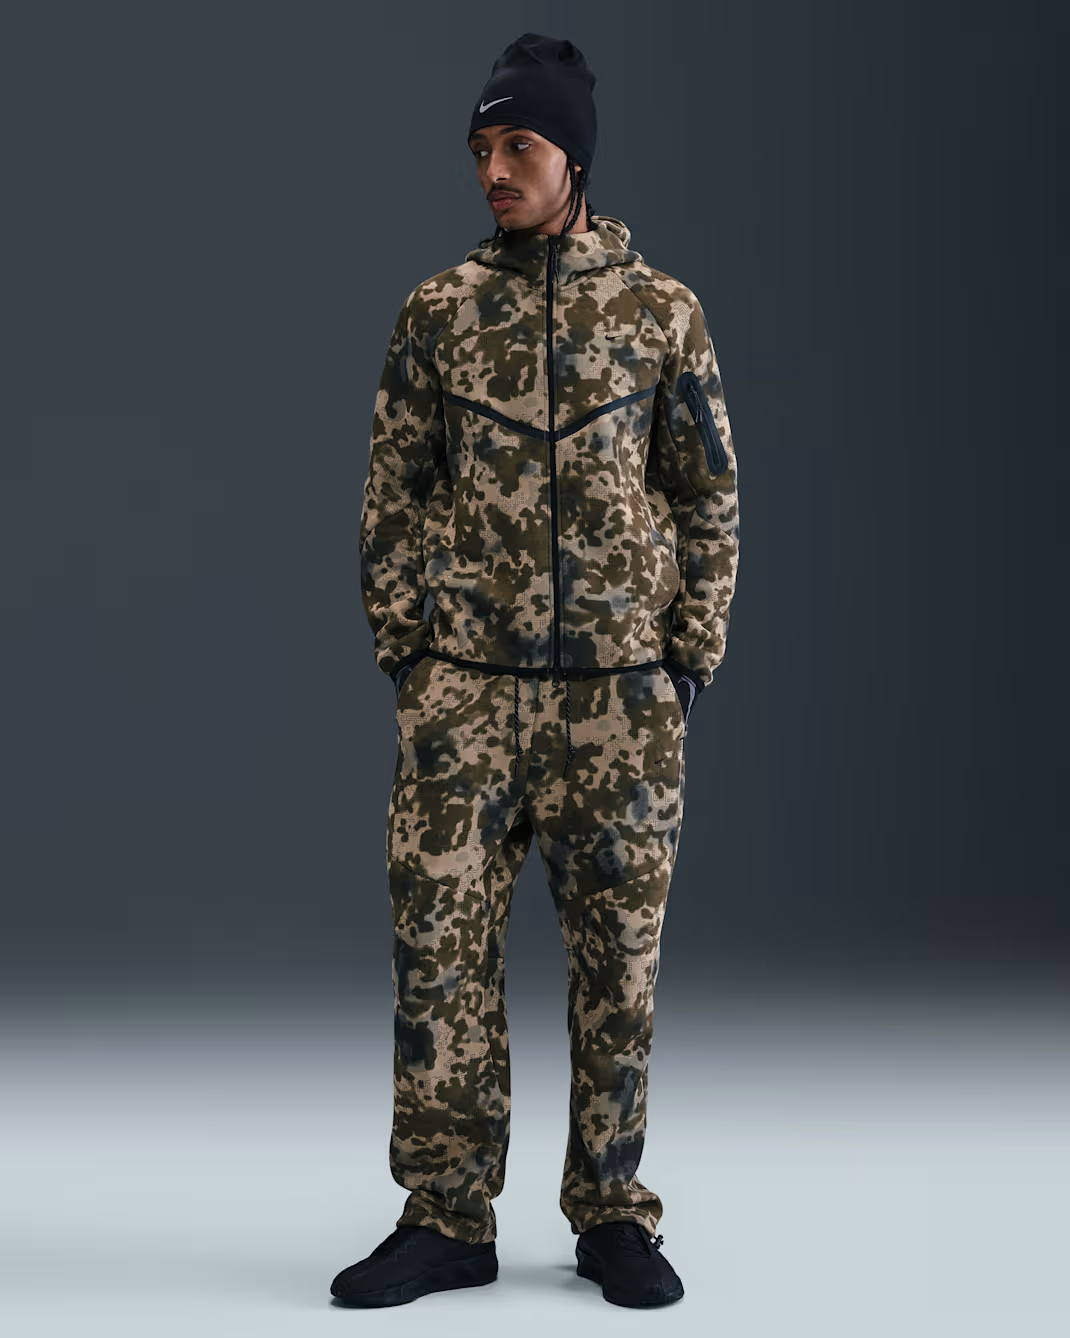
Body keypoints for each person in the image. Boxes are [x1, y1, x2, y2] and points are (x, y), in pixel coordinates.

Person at [331, 31, 740, 1310]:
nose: (492, 171)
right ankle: (445, 1217)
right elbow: (393, 493)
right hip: (467, 695)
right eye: (480, 150)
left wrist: (685, 655)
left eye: (517, 145)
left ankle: (611, 1214)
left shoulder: (660, 312)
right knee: (436, 955)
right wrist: (411, 651)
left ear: (574, 158)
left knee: (619, 966)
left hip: (619, 701)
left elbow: (705, 492)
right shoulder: (439, 313)